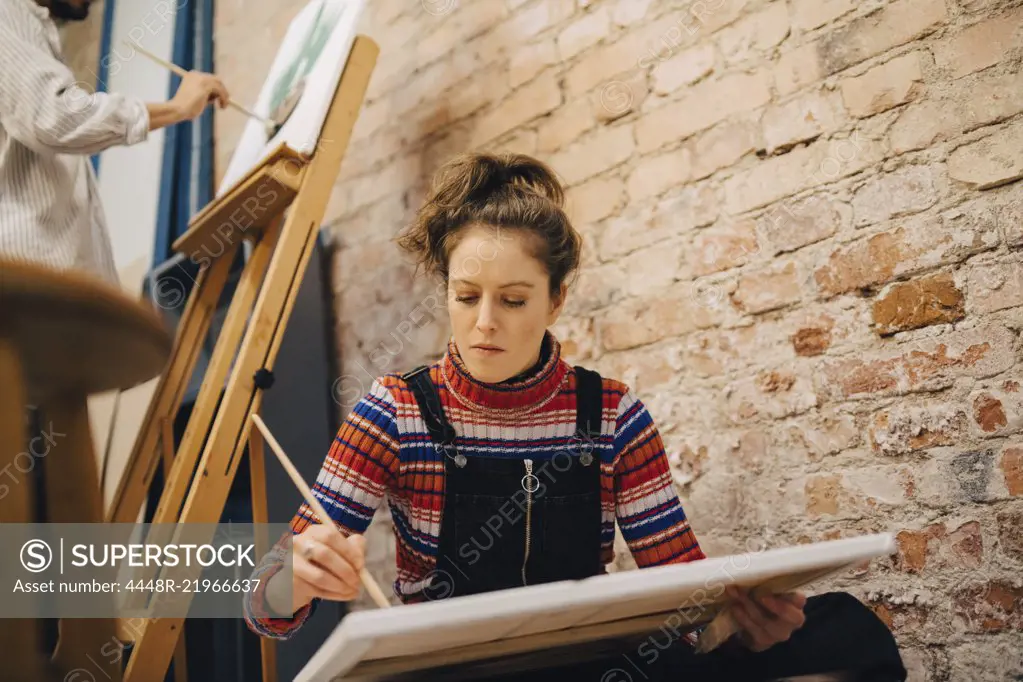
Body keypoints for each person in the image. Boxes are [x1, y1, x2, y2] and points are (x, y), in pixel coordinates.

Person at [243, 152, 907, 681]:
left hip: (597, 666)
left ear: (555, 299)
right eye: (465, 295)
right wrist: (291, 582)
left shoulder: (612, 414)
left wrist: (738, 624)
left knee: (845, 629)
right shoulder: (394, 411)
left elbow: (682, 591)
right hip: (454, 672)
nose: (483, 323)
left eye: (512, 299)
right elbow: (261, 604)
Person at [0, 0, 231, 286]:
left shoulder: (28, 25)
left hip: (55, 285)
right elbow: (57, 117)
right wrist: (176, 108)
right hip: (36, 289)